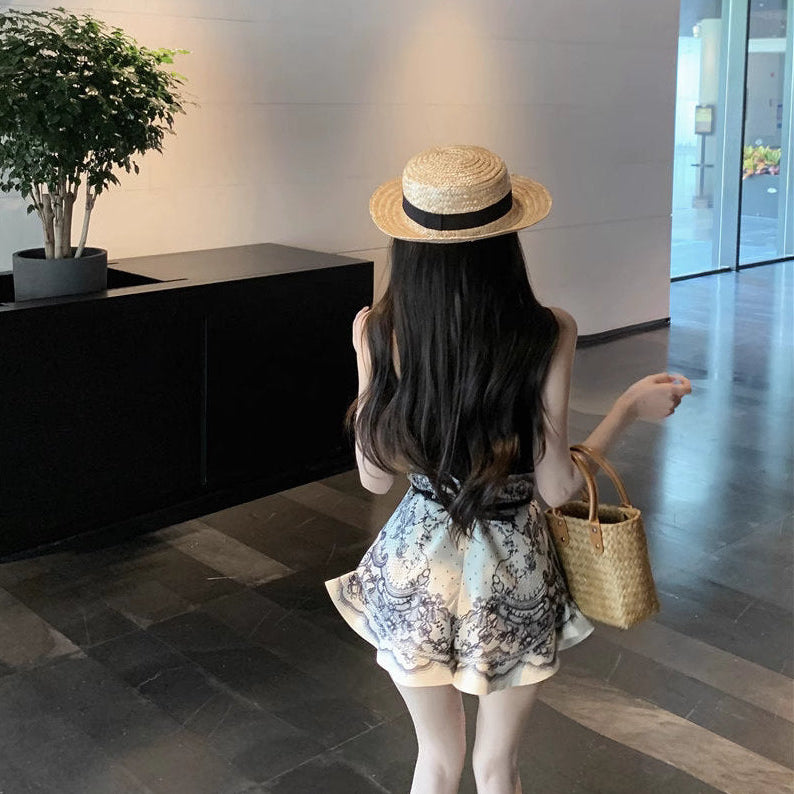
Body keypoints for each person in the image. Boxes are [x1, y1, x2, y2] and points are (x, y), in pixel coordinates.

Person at [325, 145, 691, 794]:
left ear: (407, 245)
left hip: (414, 571)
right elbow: (556, 487)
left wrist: (370, 366)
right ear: (505, 241)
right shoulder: (547, 331)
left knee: (436, 761)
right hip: (513, 572)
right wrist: (628, 409)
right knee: (497, 768)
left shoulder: (376, 330)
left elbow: (375, 478)